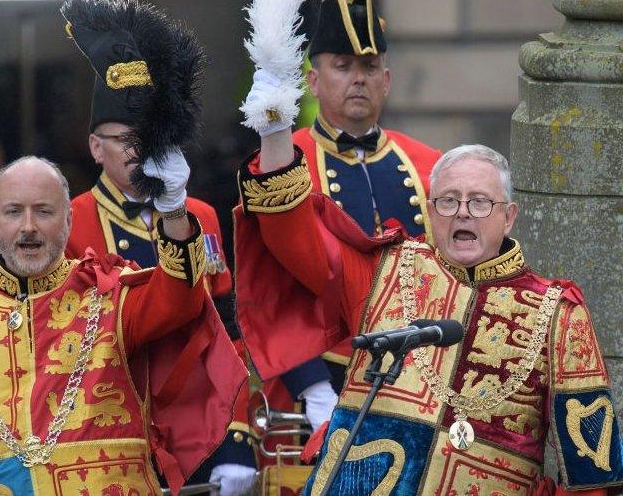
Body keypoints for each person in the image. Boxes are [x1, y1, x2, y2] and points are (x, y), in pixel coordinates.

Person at [0, 155, 248, 495]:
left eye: (44, 211)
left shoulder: (111, 294)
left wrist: (174, 210)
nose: (28, 226)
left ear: (69, 218)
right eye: (14, 212)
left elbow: (181, 296)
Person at [234, 140, 623, 493]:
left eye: (480, 202)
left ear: (508, 216)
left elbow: (592, 473)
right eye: (448, 201)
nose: (463, 213)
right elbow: (293, 235)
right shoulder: (381, 270)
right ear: (430, 209)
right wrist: (274, 130)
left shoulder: (559, 313)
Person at [61, 0, 255, 495]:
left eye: (146, 137)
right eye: (123, 138)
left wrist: (235, 439)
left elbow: (227, 332)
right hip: (109, 432)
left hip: (199, 433)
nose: (136, 151)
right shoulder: (67, 221)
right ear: (94, 146)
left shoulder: (202, 215)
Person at [244, 0, 441, 427]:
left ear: (386, 81)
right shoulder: (280, 164)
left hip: (420, 375)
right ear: (313, 81)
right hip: (322, 380)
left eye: (370, 67)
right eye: (342, 65)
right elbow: (271, 287)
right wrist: (312, 386)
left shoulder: (430, 164)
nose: (358, 78)